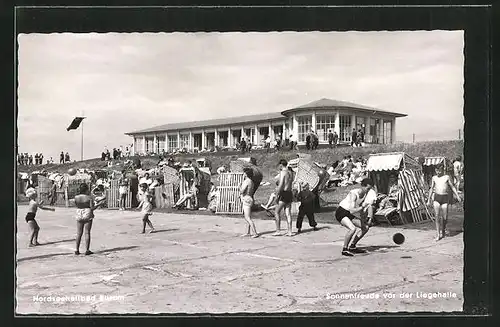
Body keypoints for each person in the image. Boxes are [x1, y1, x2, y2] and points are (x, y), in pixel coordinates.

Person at [335, 178, 374, 256]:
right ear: (362, 186)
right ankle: (345, 249)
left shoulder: (365, 194)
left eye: (370, 189)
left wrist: (365, 219)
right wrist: (362, 208)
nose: (368, 191)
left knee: (365, 227)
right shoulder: (354, 194)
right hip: (341, 212)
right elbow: (352, 210)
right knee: (352, 229)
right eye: (367, 188)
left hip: (348, 213)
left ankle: (352, 246)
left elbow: (360, 209)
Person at [427, 165, 462, 241]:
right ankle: (438, 234)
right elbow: (431, 188)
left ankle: (443, 230)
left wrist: (457, 196)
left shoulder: (446, 177)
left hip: (445, 198)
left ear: (442, 170)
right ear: (435, 170)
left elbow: (452, 187)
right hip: (436, 198)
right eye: (437, 170)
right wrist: (428, 199)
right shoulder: (434, 178)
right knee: (436, 216)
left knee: (445, 217)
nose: (438, 172)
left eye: (439, 170)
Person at [74, 183, 104, 255]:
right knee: (87, 232)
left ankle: (77, 250)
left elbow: (76, 205)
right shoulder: (89, 197)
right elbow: (92, 208)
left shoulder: (76, 197)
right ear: (86, 189)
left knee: (79, 233)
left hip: (79, 212)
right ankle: (87, 250)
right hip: (87, 212)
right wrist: (99, 204)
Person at [274, 159, 294, 236]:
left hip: (283, 193)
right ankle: (290, 231)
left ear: (281, 165)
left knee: (276, 211)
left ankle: (278, 230)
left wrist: (276, 195)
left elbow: (281, 184)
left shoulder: (283, 172)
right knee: (288, 213)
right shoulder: (291, 173)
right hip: (289, 192)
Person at [240, 168, 259, 238]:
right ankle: (248, 232)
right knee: (248, 216)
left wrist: (239, 187)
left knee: (247, 217)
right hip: (250, 198)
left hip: (246, 199)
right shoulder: (251, 181)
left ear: (246, 174)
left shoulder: (246, 181)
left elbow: (242, 191)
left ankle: (255, 232)